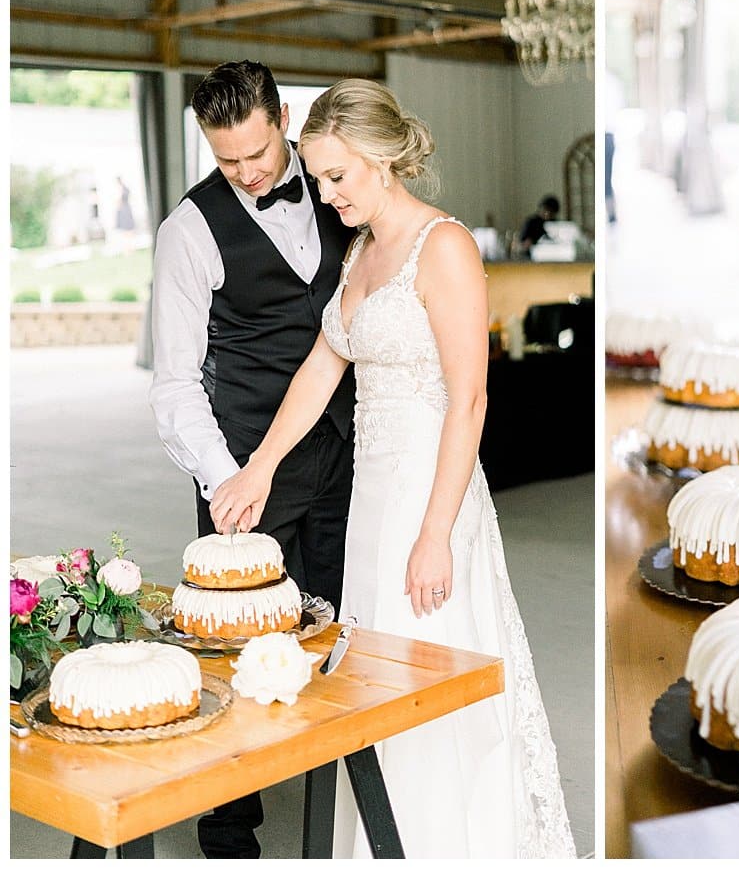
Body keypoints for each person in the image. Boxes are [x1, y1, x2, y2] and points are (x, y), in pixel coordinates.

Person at [209, 79, 576, 858]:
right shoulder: (360, 252)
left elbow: (470, 400)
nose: (328, 194)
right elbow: (320, 368)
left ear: (381, 160)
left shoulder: (443, 246)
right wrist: (260, 469)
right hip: (373, 500)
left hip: (431, 498)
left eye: (338, 177)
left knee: (427, 680)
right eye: (319, 180)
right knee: (371, 686)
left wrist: (437, 533)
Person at [148, 60, 358, 859]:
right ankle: (229, 821)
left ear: (285, 118)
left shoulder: (335, 183)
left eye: (258, 155)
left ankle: (337, 782)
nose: (244, 173)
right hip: (244, 460)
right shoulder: (190, 229)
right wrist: (223, 475)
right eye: (226, 159)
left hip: (342, 449)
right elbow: (173, 383)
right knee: (236, 643)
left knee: (334, 620)